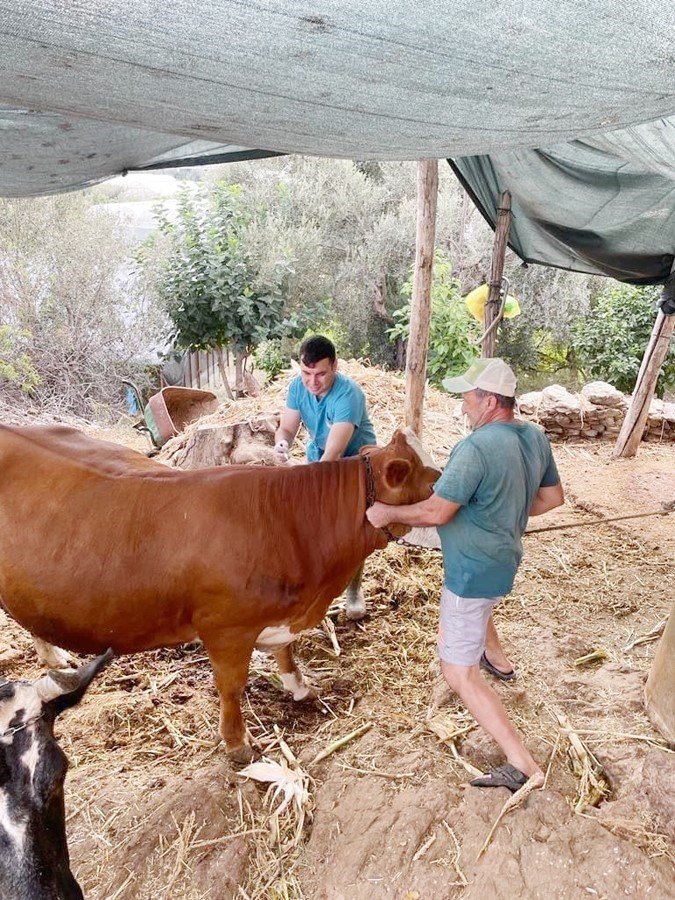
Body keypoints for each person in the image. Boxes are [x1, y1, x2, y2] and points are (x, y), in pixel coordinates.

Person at [366, 358, 564, 791]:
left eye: (468, 398)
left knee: (457, 671)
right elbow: (551, 498)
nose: (462, 408)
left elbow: (437, 511)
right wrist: (502, 508)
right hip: (505, 558)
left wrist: (387, 513)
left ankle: (522, 765)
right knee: (477, 618)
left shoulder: (474, 449)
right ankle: (495, 657)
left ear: (491, 401)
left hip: (472, 571)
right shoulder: (534, 437)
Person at [274, 335, 377, 619]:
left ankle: (353, 589)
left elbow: (334, 453)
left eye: (320, 374)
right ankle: (317, 586)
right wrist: (281, 443)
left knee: (352, 530)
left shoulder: (349, 394)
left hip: (354, 464)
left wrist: (304, 481)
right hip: (317, 458)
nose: (312, 382)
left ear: (335, 366)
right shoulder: (297, 387)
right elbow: (287, 428)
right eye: (306, 374)